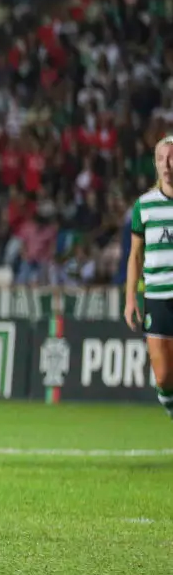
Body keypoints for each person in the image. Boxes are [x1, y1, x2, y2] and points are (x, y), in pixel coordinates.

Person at [125, 135, 173, 419]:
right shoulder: (144, 206)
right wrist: (130, 298)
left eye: (171, 158)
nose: (166, 165)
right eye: (160, 159)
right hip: (156, 297)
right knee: (165, 378)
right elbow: (135, 256)